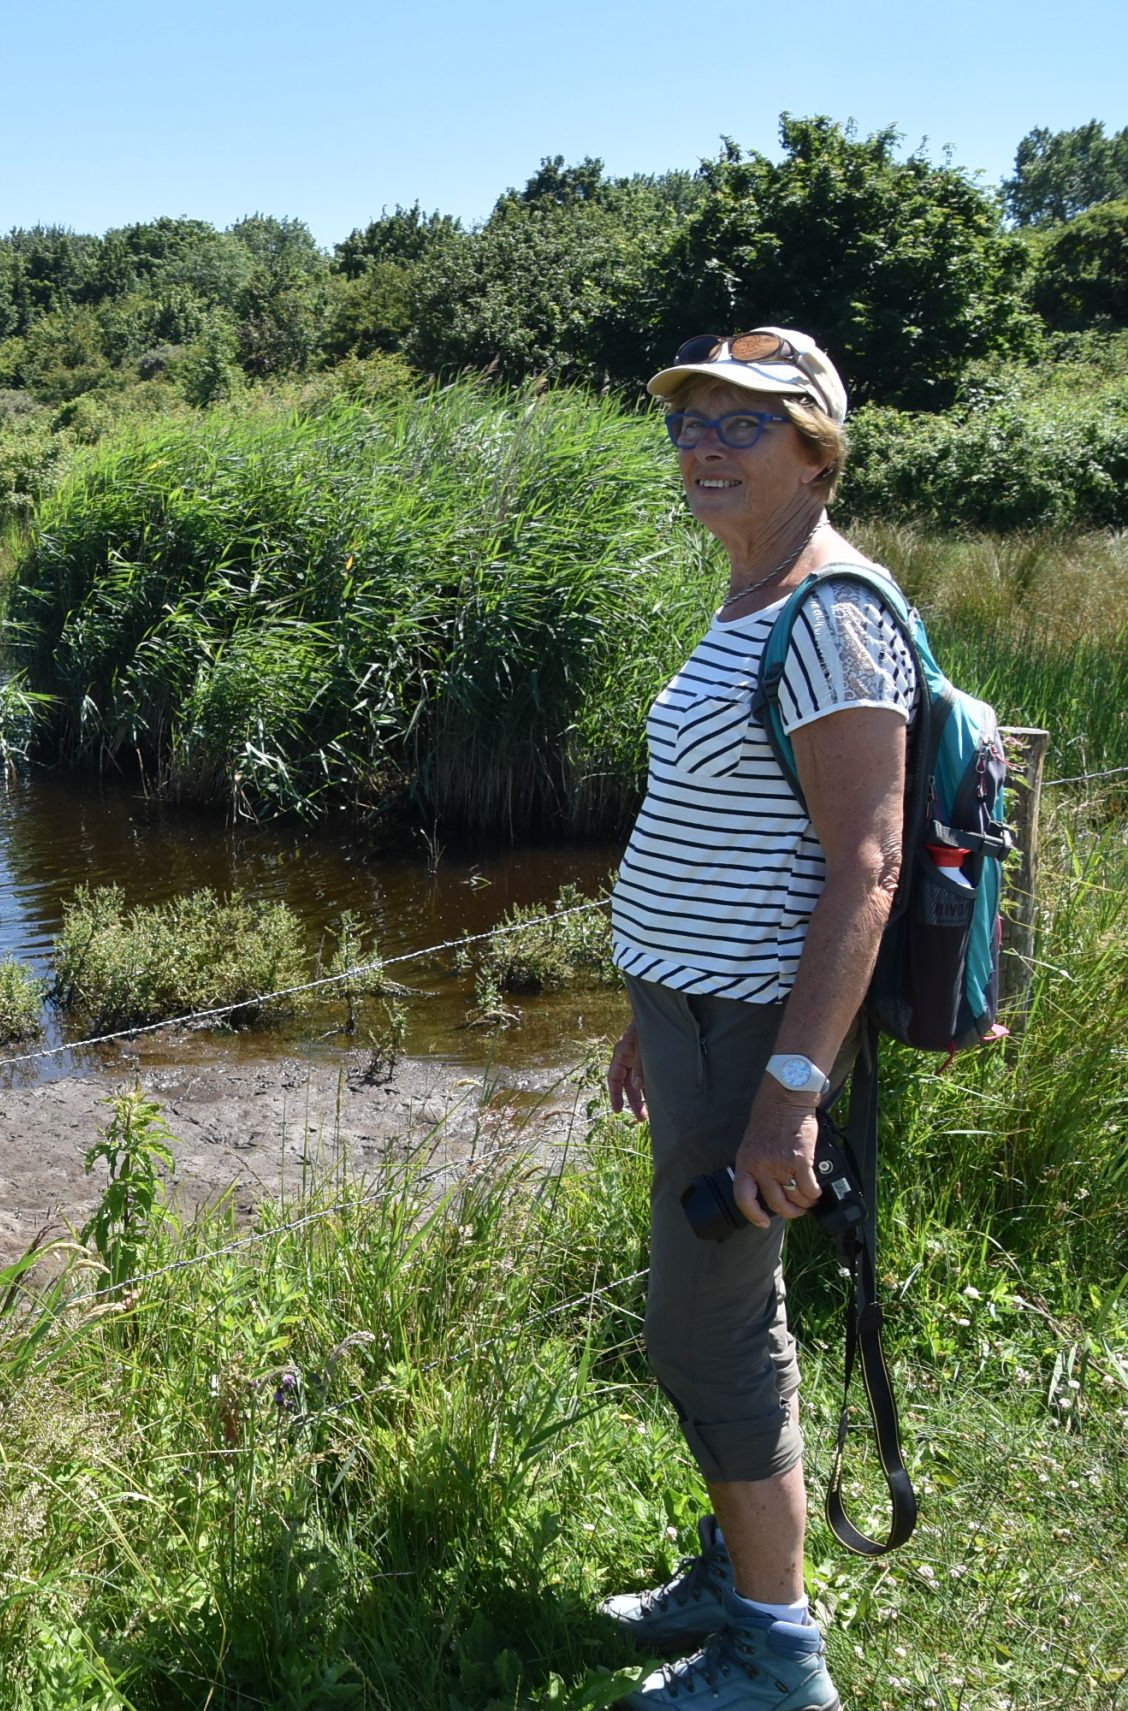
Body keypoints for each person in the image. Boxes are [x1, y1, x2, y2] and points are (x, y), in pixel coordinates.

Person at [599, 328, 917, 1711]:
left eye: (746, 423)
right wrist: (639, 1009)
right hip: (694, 1025)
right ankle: (739, 1573)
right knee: (729, 1313)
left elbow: (868, 864)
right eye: (691, 423)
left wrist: (791, 1090)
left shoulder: (833, 616)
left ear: (817, 450)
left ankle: (778, 1654)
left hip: (753, 1040)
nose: (706, 446)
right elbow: (706, 833)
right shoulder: (751, 599)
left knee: (706, 1332)